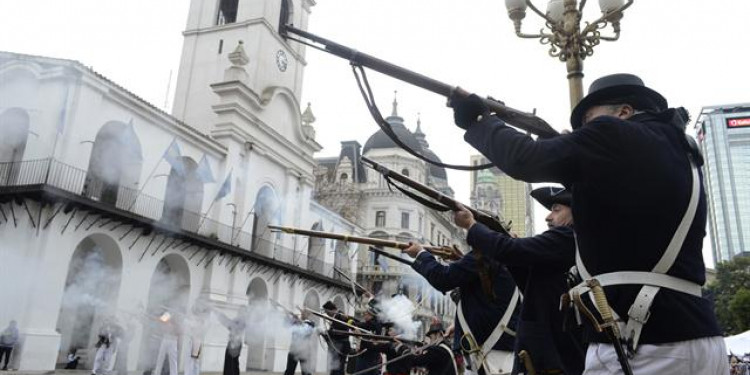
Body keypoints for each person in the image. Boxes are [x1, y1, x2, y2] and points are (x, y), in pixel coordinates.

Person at [450, 73, 727, 374]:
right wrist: (505, 124)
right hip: (699, 338)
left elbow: (524, 159)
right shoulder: (680, 152)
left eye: (589, 119)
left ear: (623, 113)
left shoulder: (613, 134)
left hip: (644, 342)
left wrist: (479, 119)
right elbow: (596, 177)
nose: (585, 129)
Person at [453, 187, 586, 374]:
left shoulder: (566, 238)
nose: (548, 217)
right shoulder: (570, 244)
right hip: (548, 355)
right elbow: (530, 282)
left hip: (555, 358)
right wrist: (513, 247)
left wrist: (472, 226)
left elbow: (508, 250)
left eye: (556, 210)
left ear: (576, 212)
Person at [403, 238, 519, 375]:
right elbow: (482, 299)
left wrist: (420, 253)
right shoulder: (503, 258)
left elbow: (443, 279)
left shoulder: (486, 253)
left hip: (492, 353)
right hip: (496, 351)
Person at [352, 302, 383, 375]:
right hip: (372, 354)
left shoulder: (372, 324)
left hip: (367, 354)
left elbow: (361, 325)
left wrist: (351, 322)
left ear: (371, 315)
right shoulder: (376, 324)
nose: (364, 315)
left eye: (366, 314)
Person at [184, 301, 211, 375]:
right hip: (194, 340)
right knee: (193, 362)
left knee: (192, 362)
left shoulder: (201, 320)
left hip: (196, 341)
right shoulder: (200, 319)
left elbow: (196, 329)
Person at [152, 310, 180, 375]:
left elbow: (178, 331)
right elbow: (161, 320)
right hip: (166, 338)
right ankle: (157, 373)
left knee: (173, 360)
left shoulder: (175, 316)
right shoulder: (168, 314)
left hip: (173, 340)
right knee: (160, 358)